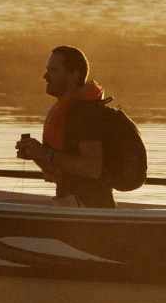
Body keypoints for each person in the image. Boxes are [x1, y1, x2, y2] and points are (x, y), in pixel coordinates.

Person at [14, 46, 116, 209]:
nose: (45, 76)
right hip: (72, 205)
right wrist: (36, 154)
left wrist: (44, 152)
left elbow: (92, 168)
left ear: (74, 75)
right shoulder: (67, 110)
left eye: (53, 70)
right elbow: (58, 173)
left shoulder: (85, 113)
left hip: (89, 209)